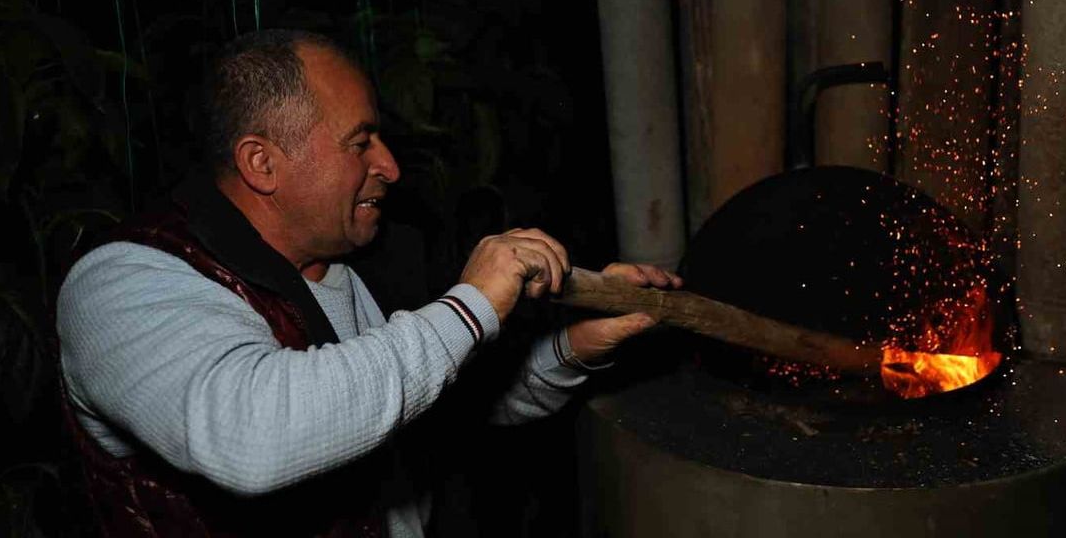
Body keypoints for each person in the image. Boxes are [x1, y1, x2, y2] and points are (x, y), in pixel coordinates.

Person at [55, 29, 679, 537]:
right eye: (361, 142)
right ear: (262, 163)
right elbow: (251, 439)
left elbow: (448, 407)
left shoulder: (371, 260)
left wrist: (571, 349)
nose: (391, 166)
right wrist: (468, 309)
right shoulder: (125, 281)